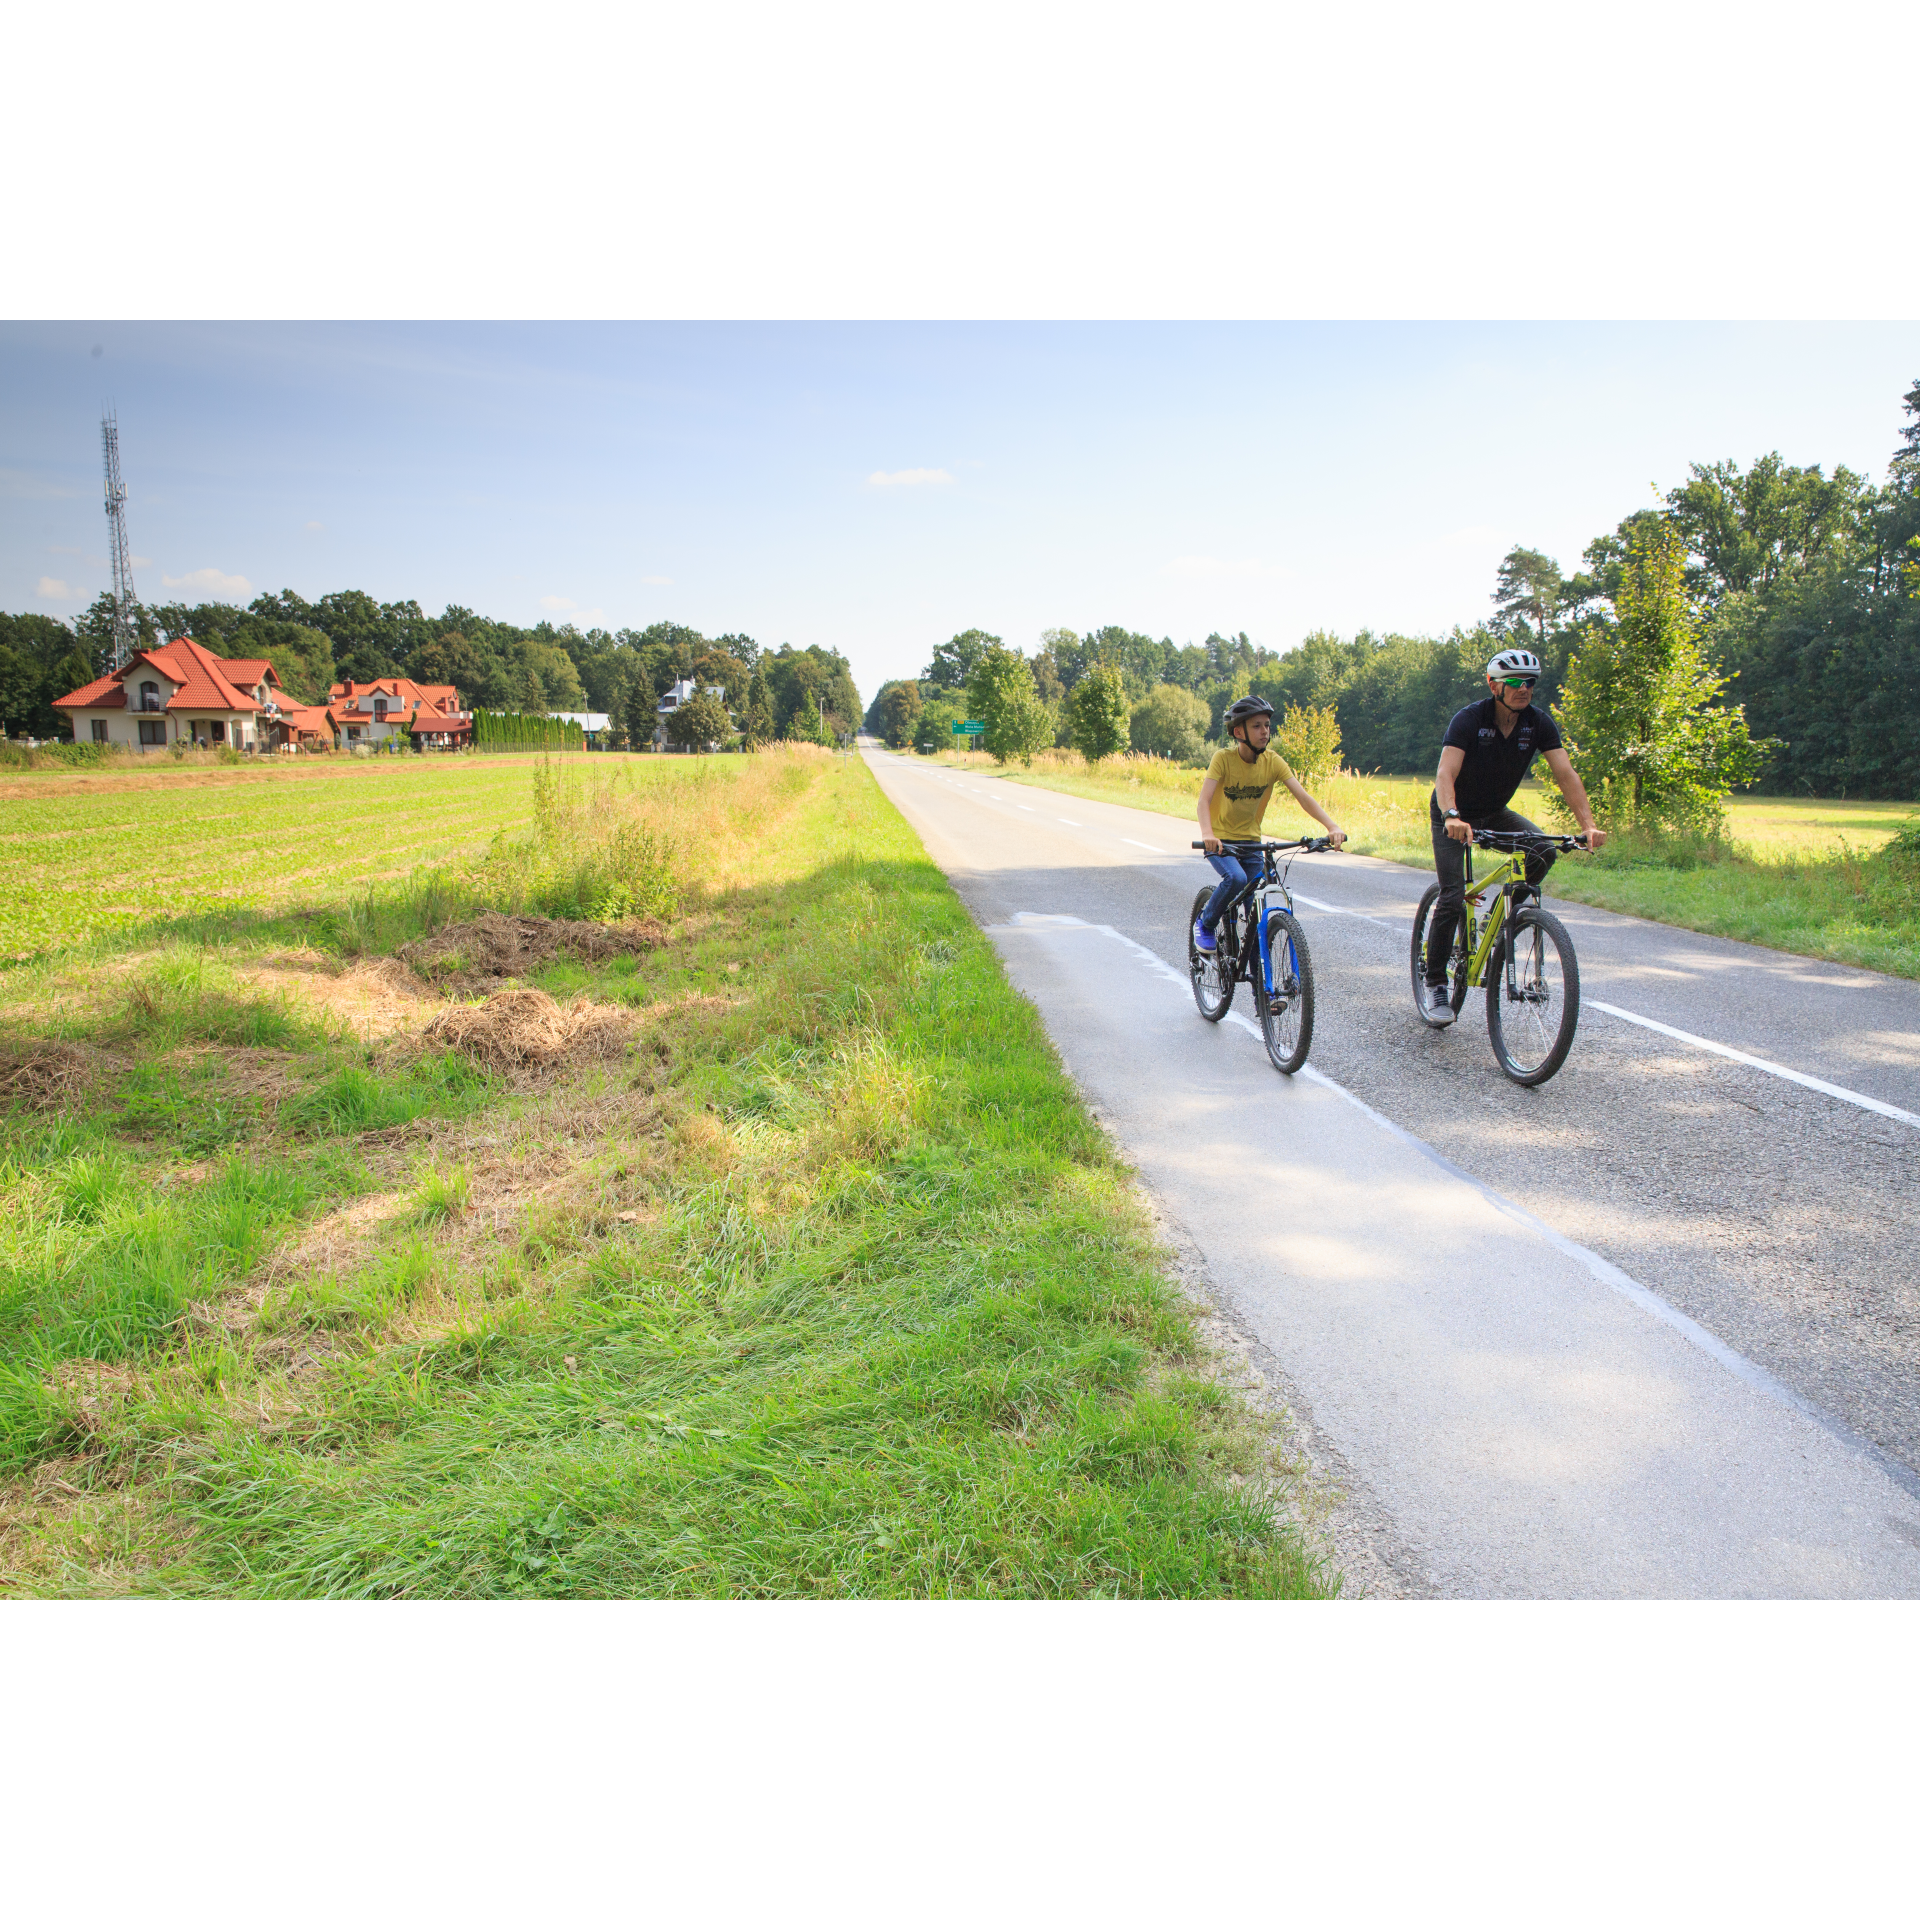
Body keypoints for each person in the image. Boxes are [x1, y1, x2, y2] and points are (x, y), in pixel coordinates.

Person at [1420, 647, 1606, 1024]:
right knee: (1454, 894)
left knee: (1543, 852)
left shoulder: (1538, 723)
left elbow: (1566, 774)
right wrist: (1452, 815)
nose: (1525, 689)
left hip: (1494, 812)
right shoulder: (1469, 720)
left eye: (1531, 683)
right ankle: (1437, 980)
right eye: (1516, 682)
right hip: (1453, 813)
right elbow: (1445, 774)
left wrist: (1587, 825)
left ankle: (1503, 917)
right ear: (1494, 685)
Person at [1193, 695, 1346, 952]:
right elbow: (1203, 801)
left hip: (1252, 844)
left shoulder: (1272, 761)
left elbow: (1303, 797)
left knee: (1257, 912)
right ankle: (1206, 923)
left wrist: (1332, 826)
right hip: (1220, 841)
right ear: (1239, 731)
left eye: (1267, 725)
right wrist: (1208, 833)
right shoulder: (1223, 759)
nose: (1264, 731)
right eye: (1257, 726)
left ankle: (1261, 989)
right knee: (1236, 878)